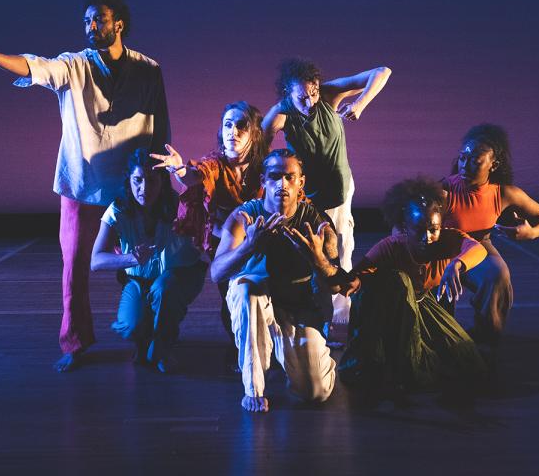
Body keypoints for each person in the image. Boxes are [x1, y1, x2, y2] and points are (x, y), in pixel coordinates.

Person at [0, 0, 171, 372]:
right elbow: (35, 67)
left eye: (98, 20)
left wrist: (160, 181)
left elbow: (161, 128)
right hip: (81, 183)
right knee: (74, 266)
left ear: (118, 24)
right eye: (86, 21)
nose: (90, 27)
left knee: (145, 262)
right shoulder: (74, 65)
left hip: (131, 187)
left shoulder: (148, 69)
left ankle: (147, 337)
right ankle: (75, 343)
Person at [295, 177, 488, 392]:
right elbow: (349, 284)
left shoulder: (447, 240)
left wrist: (457, 265)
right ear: (405, 227)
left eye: (433, 229)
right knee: (399, 282)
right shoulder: (391, 247)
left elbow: (479, 249)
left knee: (468, 360)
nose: (427, 237)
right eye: (419, 229)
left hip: (422, 307)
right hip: (388, 314)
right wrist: (320, 262)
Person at [210, 150, 341, 412]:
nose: (282, 184)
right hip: (258, 307)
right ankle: (254, 388)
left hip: (296, 309)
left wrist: (318, 259)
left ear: (300, 183)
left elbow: (337, 284)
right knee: (247, 289)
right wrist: (248, 246)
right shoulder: (244, 217)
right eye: (275, 176)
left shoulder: (317, 223)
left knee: (315, 392)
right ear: (264, 181)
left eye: (290, 177)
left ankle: (288, 355)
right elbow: (217, 273)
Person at [262, 59, 391, 323]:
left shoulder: (329, 95)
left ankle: (341, 317)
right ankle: (311, 314)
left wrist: (359, 103)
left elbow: (381, 72)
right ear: (287, 93)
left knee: (343, 248)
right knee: (313, 253)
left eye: (313, 93)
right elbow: (259, 150)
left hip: (340, 189)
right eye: (302, 97)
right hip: (310, 196)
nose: (310, 101)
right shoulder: (281, 114)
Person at [150, 101, 268, 370]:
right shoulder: (215, 163)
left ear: (255, 134)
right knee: (219, 290)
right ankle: (160, 346)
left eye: (241, 126)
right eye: (228, 125)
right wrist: (180, 170)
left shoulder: (264, 167)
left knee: (243, 295)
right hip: (213, 244)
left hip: (256, 244)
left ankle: (248, 348)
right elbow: (195, 175)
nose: (233, 132)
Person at [90, 149, 204, 373]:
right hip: (140, 279)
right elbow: (96, 260)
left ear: (162, 182)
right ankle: (148, 338)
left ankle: (163, 345)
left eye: (151, 181)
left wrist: (180, 169)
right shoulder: (119, 209)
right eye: (137, 181)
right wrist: (130, 258)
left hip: (179, 275)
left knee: (164, 290)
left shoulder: (177, 205)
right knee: (129, 326)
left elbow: (197, 189)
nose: (144, 189)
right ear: (129, 180)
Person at [441, 123, 539, 345]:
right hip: (446, 247)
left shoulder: (504, 194)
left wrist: (531, 233)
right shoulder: (444, 190)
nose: (466, 164)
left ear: (494, 164)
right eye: (463, 158)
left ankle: (485, 337)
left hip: (480, 246)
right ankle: (440, 335)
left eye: (476, 160)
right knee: (436, 282)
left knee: (497, 273)